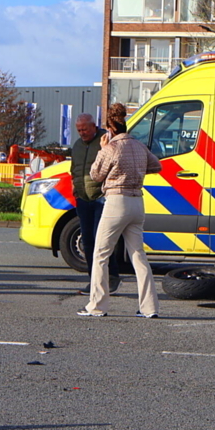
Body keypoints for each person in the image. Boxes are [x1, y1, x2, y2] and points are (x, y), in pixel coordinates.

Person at [78, 103, 162, 318]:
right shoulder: (138, 145)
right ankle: (149, 308)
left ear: (109, 127)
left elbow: (96, 174)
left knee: (100, 254)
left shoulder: (111, 147)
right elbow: (156, 166)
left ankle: (97, 306)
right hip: (137, 201)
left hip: (116, 201)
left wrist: (103, 149)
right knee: (138, 256)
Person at [71, 113, 122, 296]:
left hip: (101, 197)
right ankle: (94, 281)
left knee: (102, 241)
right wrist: (74, 186)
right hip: (83, 198)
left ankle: (112, 278)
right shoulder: (77, 145)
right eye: (79, 130)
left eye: (84, 129)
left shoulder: (105, 141)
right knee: (88, 242)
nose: (82, 133)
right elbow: (74, 169)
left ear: (94, 126)